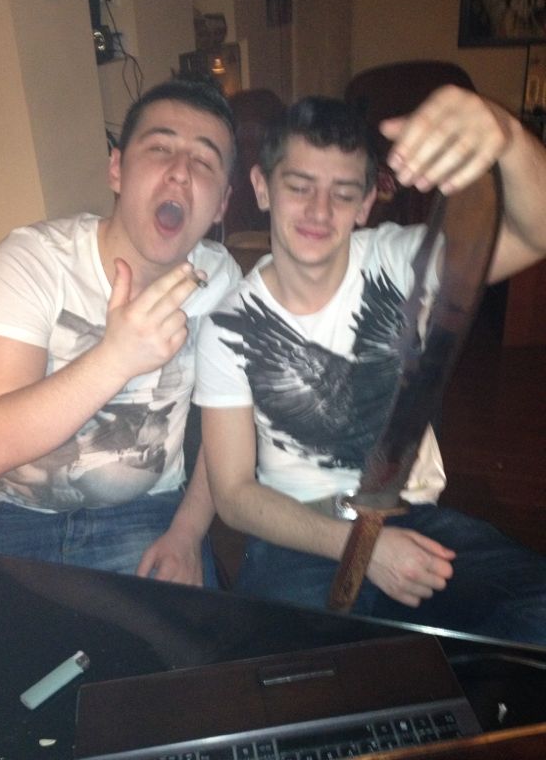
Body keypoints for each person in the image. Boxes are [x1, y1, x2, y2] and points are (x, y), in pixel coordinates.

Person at [194, 87, 546, 643]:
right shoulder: (227, 326)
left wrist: (506, 133)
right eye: (299, 186)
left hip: (409, 514)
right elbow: (235, 495)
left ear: (364, 204)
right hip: (298, 534)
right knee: (287, 674)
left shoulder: (400, 260)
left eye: (342, 193)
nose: (319, 211)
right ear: (262, 188)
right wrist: (364, 549)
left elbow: (537, 232)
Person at [0, 73, 242, 587]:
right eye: (160, 148)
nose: (180, 172)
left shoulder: (219, 279)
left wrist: (188, 532)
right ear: (117, 169)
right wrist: (116, 357)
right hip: (15, 515)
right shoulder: (33, 259)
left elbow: (226, 430)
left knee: (193, 640)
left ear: (221, 203)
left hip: (147, 514)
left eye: (203, 161)